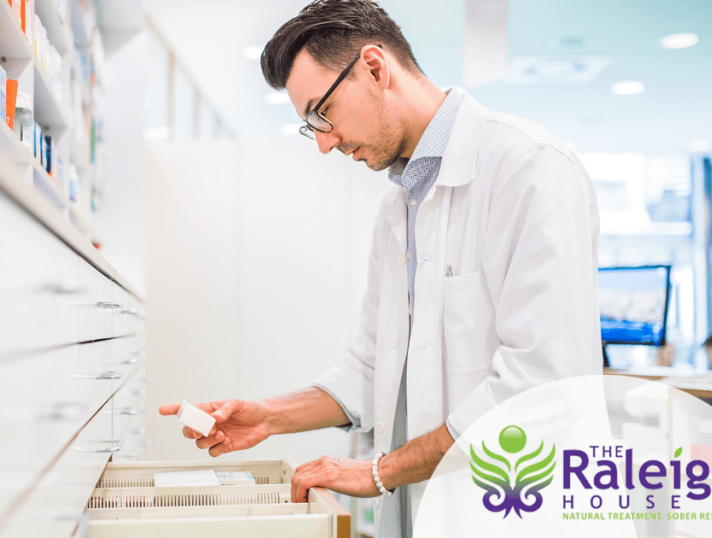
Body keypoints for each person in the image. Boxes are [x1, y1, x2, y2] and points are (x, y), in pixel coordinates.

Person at [159, 1, 602, 535]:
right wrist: (269, 415)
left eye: (322, 114)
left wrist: (378, 471)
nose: (325, 143)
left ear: (375, 67)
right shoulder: (400, 208)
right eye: (310, 128)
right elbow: (373, 367)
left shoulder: (528, 166)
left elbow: (541, 385)